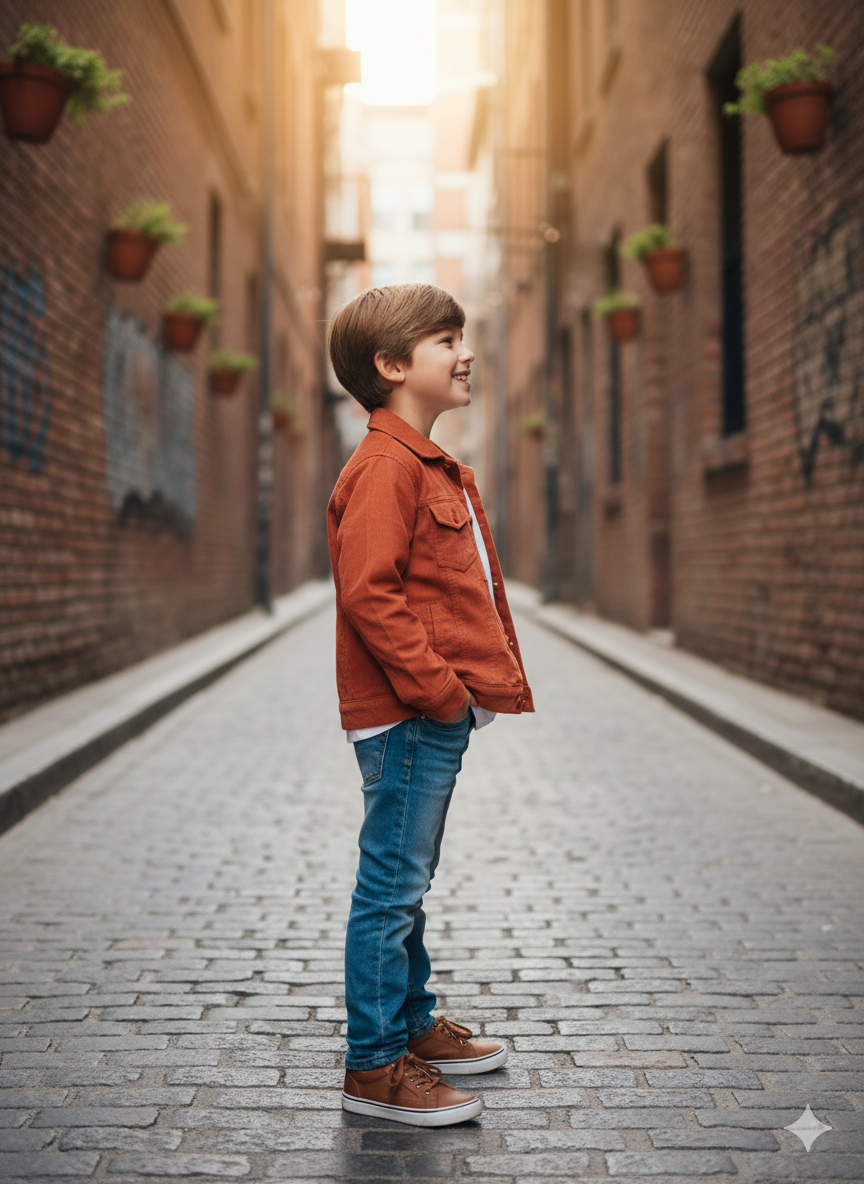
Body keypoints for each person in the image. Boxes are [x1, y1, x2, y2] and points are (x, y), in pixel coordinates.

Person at [326, 283, 534, 1126]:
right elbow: (370, 594)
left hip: (424, 715)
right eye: (447, 339)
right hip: (413, 715)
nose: (466, 352)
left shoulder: (419, 462)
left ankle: (411, 1025)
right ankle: (374, 1067)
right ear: (391, 364)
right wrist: (441, 696)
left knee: (406, 883)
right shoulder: (385, 467)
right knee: (391, 885)